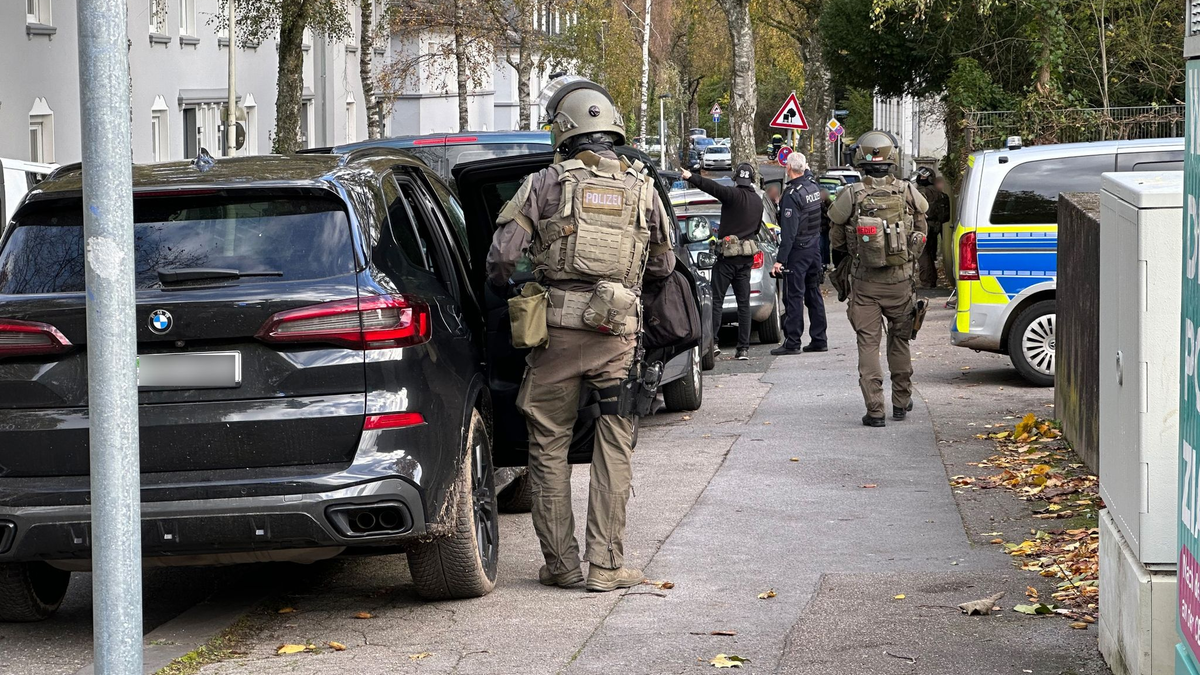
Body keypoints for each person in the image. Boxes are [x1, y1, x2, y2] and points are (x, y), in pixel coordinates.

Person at [485, 77, 676, 592]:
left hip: (556, 337)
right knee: (614, 444)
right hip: (617, 335)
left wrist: (510, 286)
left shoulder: (544, 183)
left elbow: (502, 257)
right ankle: (607, 567)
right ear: (611, 128)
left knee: (547, 443)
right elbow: (664, 262)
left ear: (565, 131)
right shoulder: (642, 185)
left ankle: (562, 565)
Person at [828, 130, 928, 427]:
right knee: (900, 342)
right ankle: (901, 402)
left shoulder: (851, 194)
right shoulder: (908, 192)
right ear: (892, 158)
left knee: (868, 345)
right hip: (901, 283)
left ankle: (875, 410)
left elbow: (835, 240)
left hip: (865, 284)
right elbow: (922, 230)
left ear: (860, 159)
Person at [679, 162, 764, 360]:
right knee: (744, 304)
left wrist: (690, 177)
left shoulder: (732, 195)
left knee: (717, 300)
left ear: (736, 179)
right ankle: (743, 348)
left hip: (726, 260)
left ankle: (713, 342)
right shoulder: (758, 201)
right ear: (751, 180)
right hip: (746, 260)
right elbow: (757, 230)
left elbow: (712, 187)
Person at [771, 153, 827, 355]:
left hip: (799, 250)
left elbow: (789, 232)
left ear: (788, 168)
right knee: (814, 293)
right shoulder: (812, 186)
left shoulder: (792, 195)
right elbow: (807, 173)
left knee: (794, 296)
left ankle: (792, 341)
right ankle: (819, 339)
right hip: (814, 247)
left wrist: (780, 261)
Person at [915, 167, 951, 288]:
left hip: (924, 226)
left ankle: (926, 281)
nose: (920, 178)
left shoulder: (923, 192)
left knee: (923, 255)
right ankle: (931, 280)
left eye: (923, 176)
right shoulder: (939, 193)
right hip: (936, 227)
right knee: (930, 254)